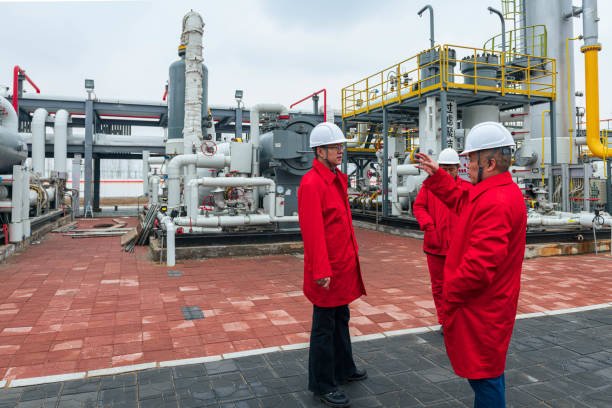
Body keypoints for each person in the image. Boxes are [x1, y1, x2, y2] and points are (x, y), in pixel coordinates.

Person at [416, 122, 527, 407]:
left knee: (485, 377)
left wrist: (449, 296)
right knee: (488, 372)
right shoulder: (495, 191)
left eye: (471, 160)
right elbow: (461, 198)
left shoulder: (495, 201)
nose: (466, 166)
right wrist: (439, 175)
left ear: (489, 163)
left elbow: (479, 268)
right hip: (489, 305)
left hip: (481, 308)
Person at [298, 122, 367, 408]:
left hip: (342, 265)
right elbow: (313, 233)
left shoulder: (335, 178)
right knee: (323, 327)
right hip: (328, 269)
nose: (341, 151)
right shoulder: (312, 184)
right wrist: (321, 270)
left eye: (341, 146)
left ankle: (344, 368)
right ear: (320, 150)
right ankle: (323, 383)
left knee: (341, 319)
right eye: (336, 147)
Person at [413, 148, 471, 332]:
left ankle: (460, 320)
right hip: (435, 247)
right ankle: (445, 322)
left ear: (458, 168)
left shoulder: (467, 189)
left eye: (451, 168)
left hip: (459, 248)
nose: (447, 172)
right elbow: (419, 206)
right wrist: (429, 227)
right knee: (439, 287)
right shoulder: (430, 187)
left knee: (461, 286)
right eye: (444, 168)